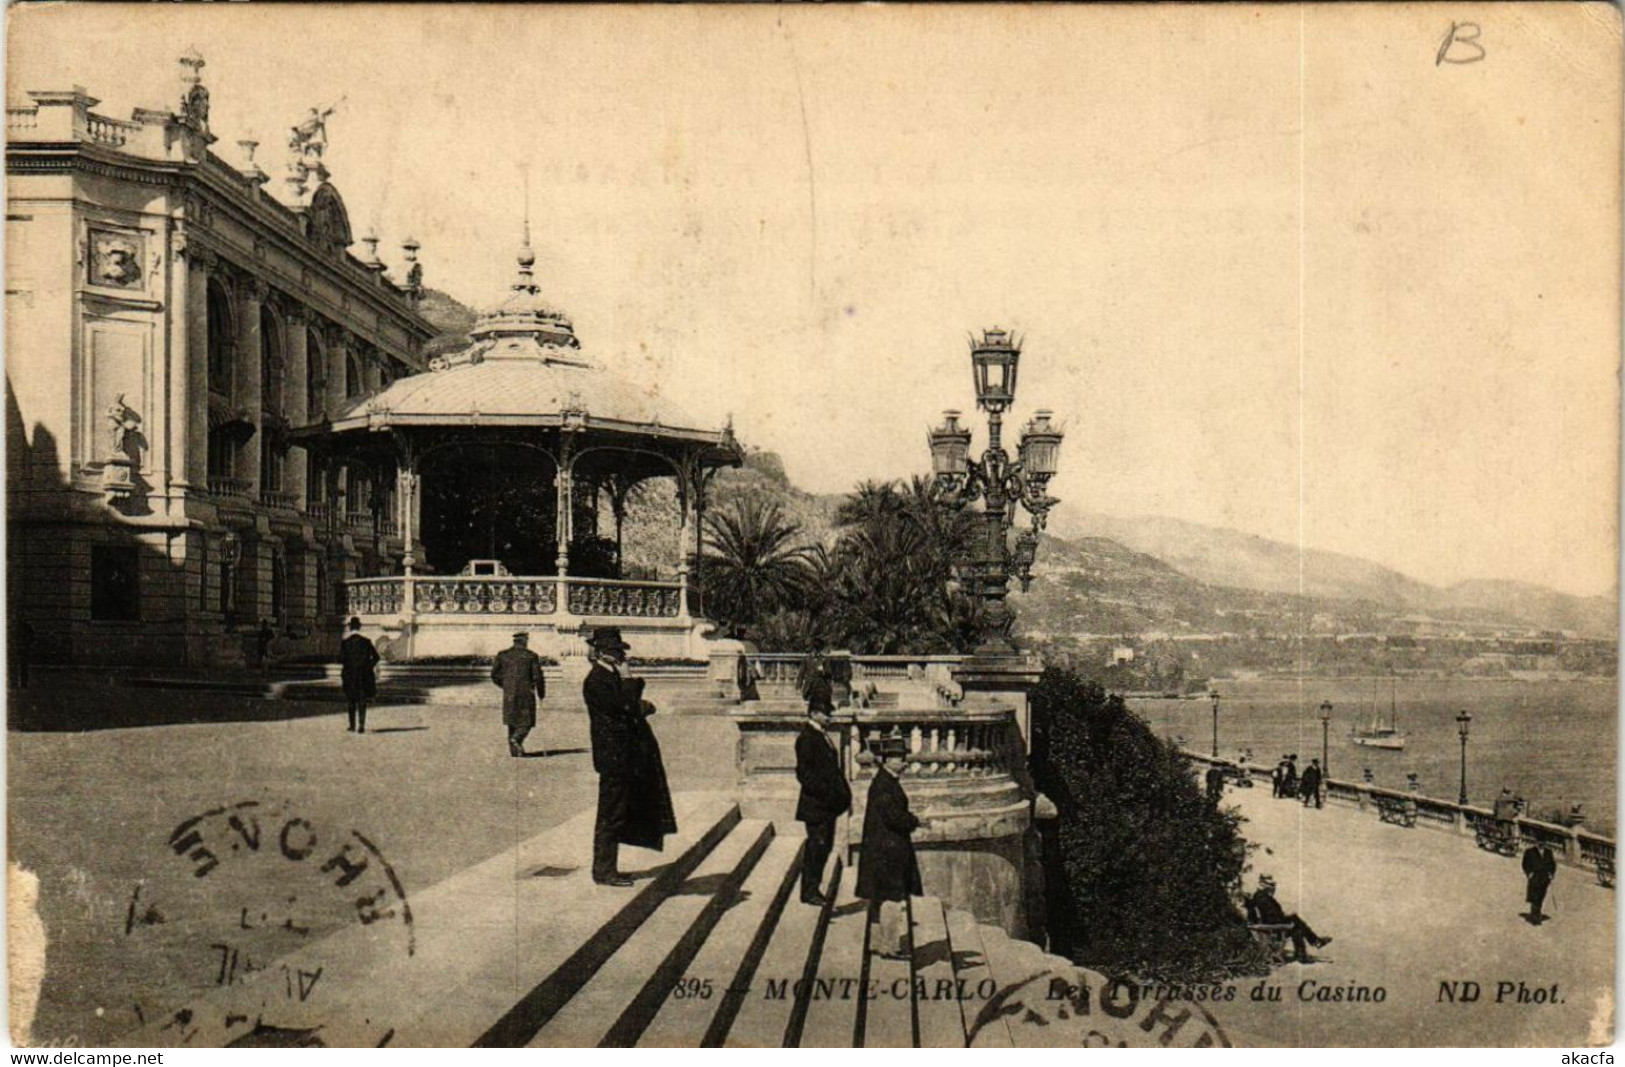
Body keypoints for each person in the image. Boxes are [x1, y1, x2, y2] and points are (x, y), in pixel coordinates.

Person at [583, 627, 678, 887]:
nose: (620, 655)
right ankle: (603, 871)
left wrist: (636, 700)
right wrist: (629, 680)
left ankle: (607, 868)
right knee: (610, 814)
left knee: (618, 811)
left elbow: (629, 707)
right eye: (615, 651)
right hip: (614, 757)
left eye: (620, 651)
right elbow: (625, 707)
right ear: (601, 652)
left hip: (623, 756)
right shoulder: (597, 679)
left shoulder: (608, 676)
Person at [856, 735, 928, 959]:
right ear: (887, 760)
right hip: (888, 851)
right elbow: (893, 817)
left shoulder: (885, 780)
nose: (904, 762)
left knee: (880, 897)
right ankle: (890, 946)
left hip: (882, 850)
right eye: (898, 758)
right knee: (892, 899)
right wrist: (917, 820)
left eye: (903, 757)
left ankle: (877, 942)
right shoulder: (885, 784)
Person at [794, 701, 851, 906]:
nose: (830, 717)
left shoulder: (821, 735)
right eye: (826, 713)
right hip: (816, 806)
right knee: (816, 847)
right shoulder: (807, 738)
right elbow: (805, 775)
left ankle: (813, 888)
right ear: (814, 713)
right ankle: (809, 891)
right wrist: (827, 795)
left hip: (826, 806)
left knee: (824, 846)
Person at [1246, 874, 1332, 962]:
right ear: (1263, 885)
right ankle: (1313, 943)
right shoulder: (1263, 898)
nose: (1274, 888)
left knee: (1297, 928)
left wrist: (1285, 917)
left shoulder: (1261, 896)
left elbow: (1271, 915)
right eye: (1271, 886)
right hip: (1272, 926)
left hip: (1271, 924)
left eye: (1273, 885)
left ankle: (1304, 953)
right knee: (1295, 921)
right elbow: (1272, 916)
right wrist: (1286, 918)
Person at [492, 632, 546, 757]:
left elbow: (494, 675)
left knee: (512, 721)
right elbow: (538, 676)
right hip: (526, 693)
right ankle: (516, 739)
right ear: (525, 641)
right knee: (527, 721)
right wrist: (541, 693)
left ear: (514, 641)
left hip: (509, 693)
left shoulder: (503, 655)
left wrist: (505, 685)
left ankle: (515, 751)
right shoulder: (531, 656)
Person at [339, 617, 379, 733]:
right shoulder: (366, 642)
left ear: (349, 627)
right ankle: (361, 725)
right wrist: (368, 666)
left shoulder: (345, 643)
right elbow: (376, 657)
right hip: (363, 676)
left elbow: (341, 659)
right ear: (359, 627)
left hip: (350, 675)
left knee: (351, 700)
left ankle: (352, 725)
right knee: (362, 700)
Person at [1522, 842, 1558, 923]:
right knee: (1534, 895)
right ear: (1537, 843)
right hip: (1535, 876)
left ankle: (1536, 912)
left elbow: (1553, 865)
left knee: (1541, 896)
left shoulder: (1548, 852)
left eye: (1543, 843)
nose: (1542, 845)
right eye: (1540, 843)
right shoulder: (1530, 851)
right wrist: (1529, 873)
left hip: (1544, 878)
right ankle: (1535, 915)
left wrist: (1551, 874)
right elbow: (1525, 864)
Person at [11, 618, 33, 690]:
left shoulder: (22, 627)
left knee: (22, 666)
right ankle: (21, 684)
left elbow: (30, 637)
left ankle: (21, 684)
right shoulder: (25, 626)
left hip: (21, 648)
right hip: (22, 647)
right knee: (22, 666)